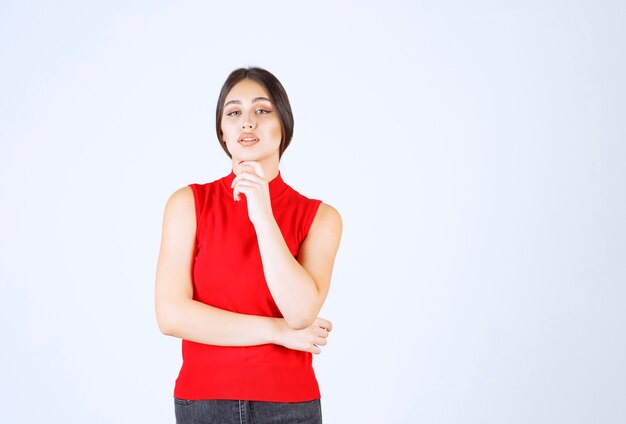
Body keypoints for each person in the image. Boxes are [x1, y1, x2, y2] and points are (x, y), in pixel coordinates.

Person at [155, 67, 343, 424]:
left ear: (283, 125)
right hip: (204, 402)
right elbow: (171, 316)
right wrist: (278, 332)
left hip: (290, 404)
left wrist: (263, 214)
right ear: (222, 132)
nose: (247, 123)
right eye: (234, 112)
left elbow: (301, 312)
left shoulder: (321, 217)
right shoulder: (188, 204)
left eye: (262, 110)